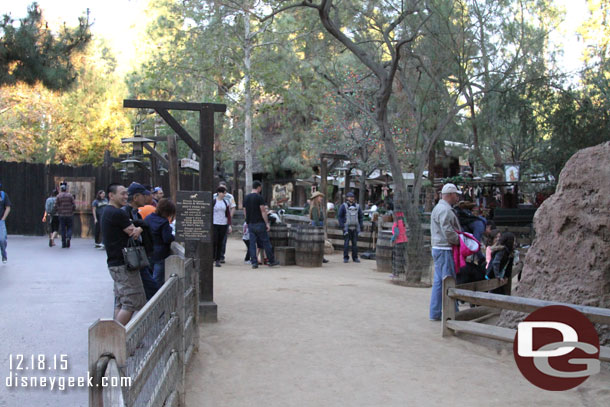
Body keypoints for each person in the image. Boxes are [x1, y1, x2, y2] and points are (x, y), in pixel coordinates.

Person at [102, 183, 146, 325]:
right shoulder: (118, 213)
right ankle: (116, 337)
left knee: (121, 301)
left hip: (114, 262)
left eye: (127, 193)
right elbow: (132, 232)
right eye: (122, 194)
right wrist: (139, 228)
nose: (126, 197)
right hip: (124, 263)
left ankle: (117, 336)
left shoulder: (106, 212)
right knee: (131, 302)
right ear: (111, 195)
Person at [429, 183, 462, 321]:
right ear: (450, 195)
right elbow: (448, 231)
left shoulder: (440, 208)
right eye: (456, 194)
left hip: (439, 248)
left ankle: (436, 312)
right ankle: (451, 312)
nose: (457, 197)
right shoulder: (445, 210)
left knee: (439, 281)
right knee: (448, 280)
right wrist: (460, 241)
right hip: (444, 249)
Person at [123, 182, 158, 299]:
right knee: (150, 289)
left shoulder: (136, 213)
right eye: (144, 195)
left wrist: (141, 227)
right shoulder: (125, 212)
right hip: (132, 258)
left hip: (139, 256)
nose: (147, 198)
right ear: (136, 197)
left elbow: (143, 225)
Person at [244, 180, 279, 269]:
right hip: (259, 223)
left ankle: (254, 262)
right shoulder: (259, 197)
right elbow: (263, 211)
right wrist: (267, 223)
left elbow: (245, 211)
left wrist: (247, 221)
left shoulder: (246, 198)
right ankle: (271, 260)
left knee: (252, 244)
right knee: (266, 242)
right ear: (258, 187)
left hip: (250, 223)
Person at [145, 198, 176, 289]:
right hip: (161, 253)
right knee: (157, 279)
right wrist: (174, 236)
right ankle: (155, 299)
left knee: (150, 276)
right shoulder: (164, 222)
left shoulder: (148, 218)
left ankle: (149, 298)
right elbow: (167, 239)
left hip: (149, 251)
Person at [213, 181, 236, 264]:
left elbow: (230, 210)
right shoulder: (213, 199)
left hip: (223, 223)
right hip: (215, 223)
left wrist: (229, 222)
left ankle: (219, 257)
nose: (224, 193)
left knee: (222, 241)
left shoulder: (228, 199)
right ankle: (214, 256)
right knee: (215, 240)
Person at [337, 191, 363, 263]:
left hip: (355, 227)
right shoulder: (343, 206)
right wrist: (342, 225)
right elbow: (340, 216)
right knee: (346, 243)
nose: (351, 198)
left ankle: (355, 258)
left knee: (355, 244)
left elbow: (360, 217)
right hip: (346, 227)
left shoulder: (357, 206)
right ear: (347, 198)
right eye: (350, 197)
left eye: (352, 197)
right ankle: (346, 257)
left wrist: (360, 226)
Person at [309, 191, 329, 264]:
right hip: (316, 227)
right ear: (316, 198)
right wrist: (320, 227)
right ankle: (318, 257)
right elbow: (316, 219)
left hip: (319, 226)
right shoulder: (314, 207)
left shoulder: (319, 206)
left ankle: (321, 257)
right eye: (320, 197)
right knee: (316, 243)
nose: (321, 198)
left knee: (320, 243)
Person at [55, 183, 75, 248]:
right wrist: (72, 210)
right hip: (69, 214)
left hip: (61, 215)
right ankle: (68, 237)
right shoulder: (70, 195)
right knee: (69, 227)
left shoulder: (58, 196)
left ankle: (63, 243)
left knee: (63, 229)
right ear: (66, 189)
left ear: (61, 189)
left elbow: (56, 205)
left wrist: (58, 210)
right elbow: (74, 205)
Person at [0, 182, 11, 264]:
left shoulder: (3, 195)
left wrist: (3, 218)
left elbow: (8, 207)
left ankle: (4, 254)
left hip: (0, 221)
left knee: (2, 239)